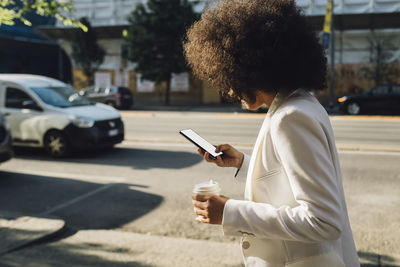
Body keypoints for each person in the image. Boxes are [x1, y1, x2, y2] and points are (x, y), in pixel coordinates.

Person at [183, 0, 360, 266]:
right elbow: (292, 180)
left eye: (230, 78)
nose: (230, 91)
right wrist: (244, 164)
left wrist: (230, 212)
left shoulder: (292, 117)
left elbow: (323, 221)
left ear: (251, 69)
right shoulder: (301, 104)